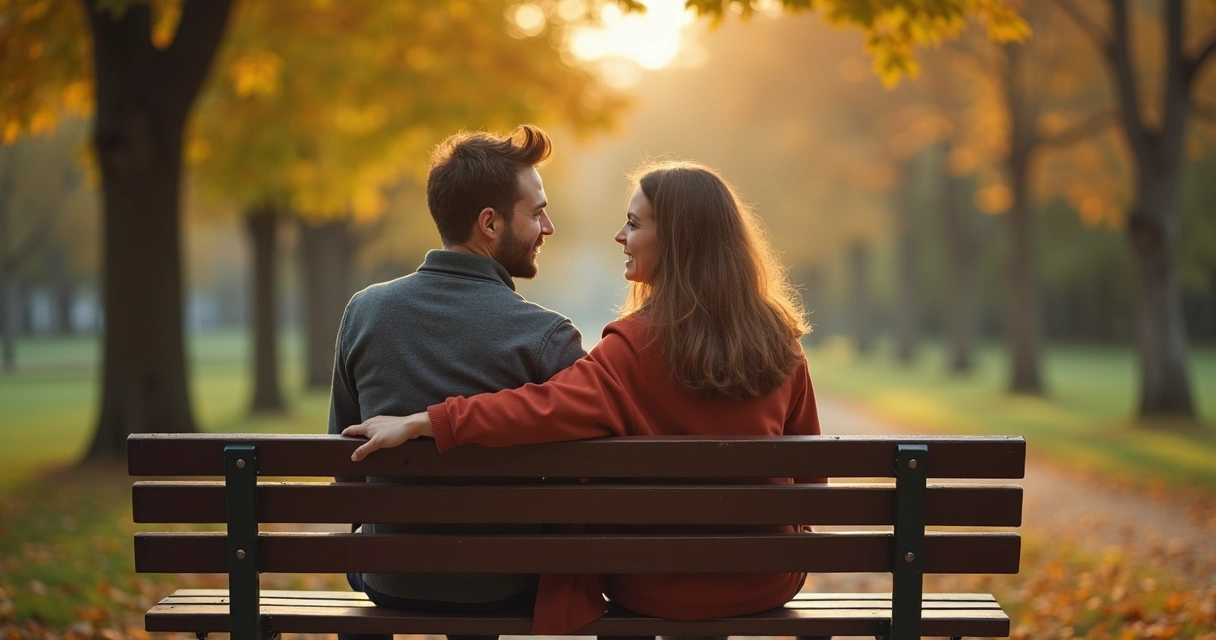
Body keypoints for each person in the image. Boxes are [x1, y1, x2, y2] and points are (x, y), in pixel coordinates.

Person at [343, 160, 827, 637]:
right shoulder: (779, 342)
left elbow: (539, 407)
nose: (620, 235)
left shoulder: (631, 348)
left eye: (633, 224)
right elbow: (810, 478)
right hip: (764, 581)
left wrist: (429, 420)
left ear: (677, 240)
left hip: (649, 585)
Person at [326, 124, 586, 640]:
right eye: (536, 213)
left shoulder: (364, 312)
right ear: (489, 223)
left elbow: (344, 457)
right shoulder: (547, 337)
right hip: (505, 583)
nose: (548, 227)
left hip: (389, 577)